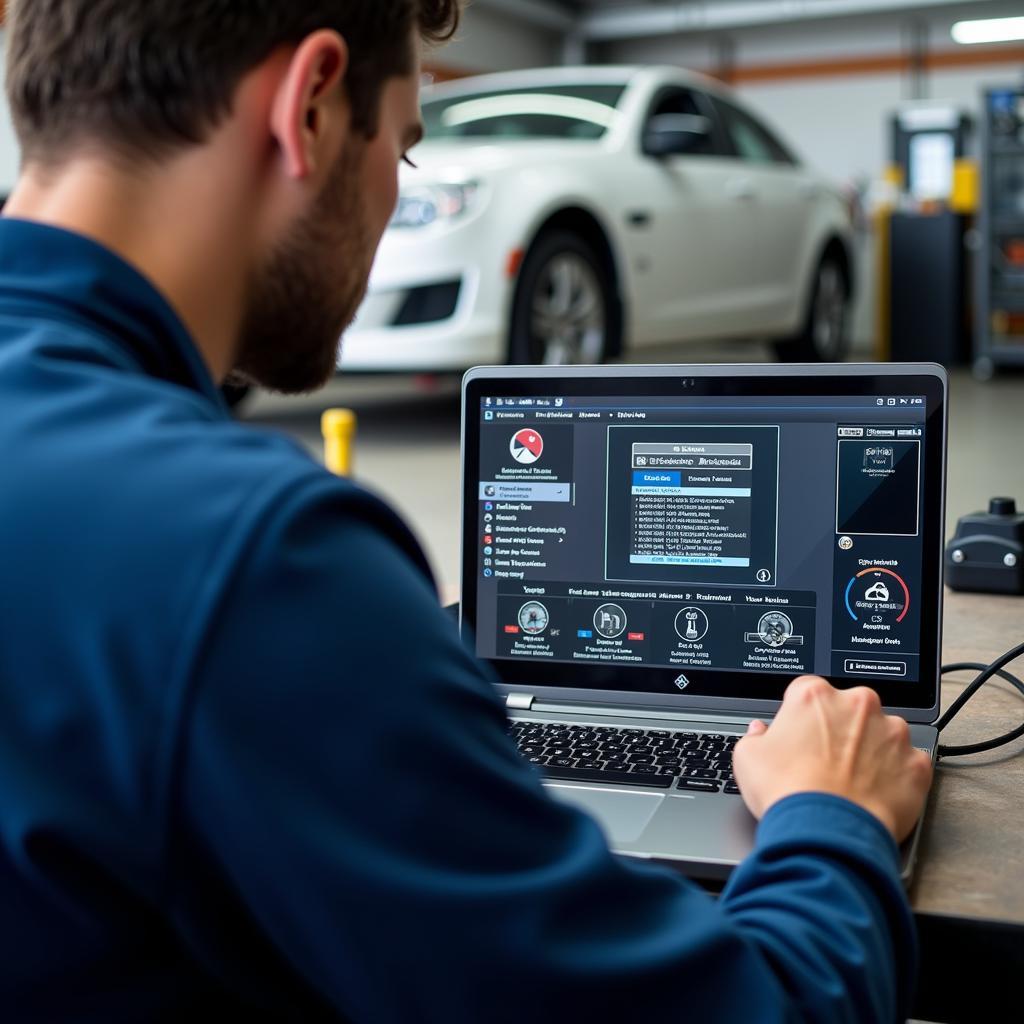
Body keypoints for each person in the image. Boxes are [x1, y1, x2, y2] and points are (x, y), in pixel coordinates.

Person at [0, 2, 932, 1020]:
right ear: (310, 106)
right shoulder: (259, 561)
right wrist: (829, 814)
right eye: (402, 145)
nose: (397, 189)